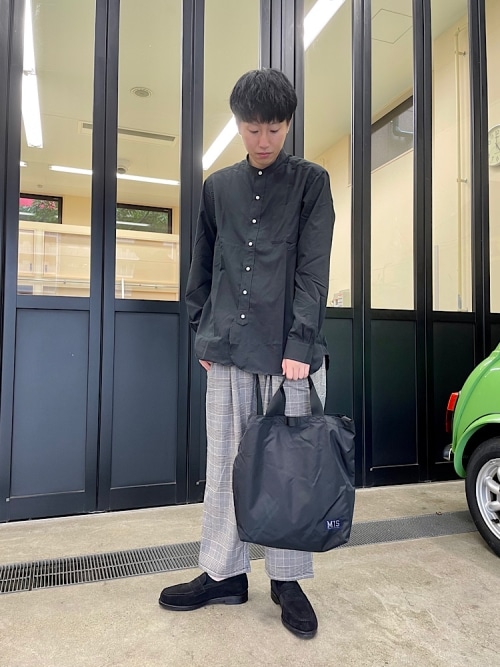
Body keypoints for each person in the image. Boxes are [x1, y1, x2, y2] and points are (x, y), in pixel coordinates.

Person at [159, 68, 335, 640]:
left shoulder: (312, 183)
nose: (263, 140)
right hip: (230, 350)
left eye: (274, 129)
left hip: (290, 360)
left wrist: (301, 343)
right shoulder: (218, 188)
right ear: (237, 124)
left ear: (288, 124)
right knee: (223, 469)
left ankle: (287, 581)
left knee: (289, 474)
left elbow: (313, 270)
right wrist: (202, 329)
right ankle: (224, 573)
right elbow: (203, 263)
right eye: (253, 128)